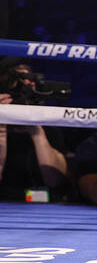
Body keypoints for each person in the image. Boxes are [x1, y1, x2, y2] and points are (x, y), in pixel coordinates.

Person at [0, 58, 68, 202]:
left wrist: (36, 131)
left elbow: (54, 181)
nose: (25, 84)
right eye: (17, 79)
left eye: (28, 78)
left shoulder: (50, 130)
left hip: (44, 208)